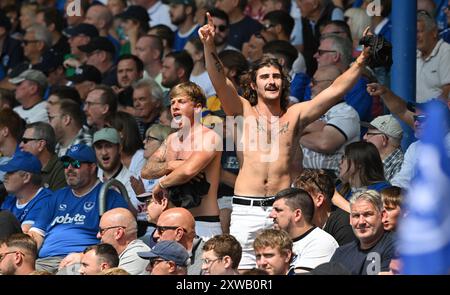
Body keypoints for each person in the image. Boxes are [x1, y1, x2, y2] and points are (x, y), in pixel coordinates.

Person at [199, 12, 369, 268]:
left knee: (282, 271)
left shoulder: (296, 114)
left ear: (284, 82)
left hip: (283, 209)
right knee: (243, 273)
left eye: (276, 77)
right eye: (265, 77)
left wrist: (362, 58)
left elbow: (336, 90)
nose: (271, 81)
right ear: (254, 85)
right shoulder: (243, 110)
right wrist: (209, 44)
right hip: (246, 208)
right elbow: (220, 81)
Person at [27, 144, 128, 273]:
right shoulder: (57, 196)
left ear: (92, 167)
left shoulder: (109, 196)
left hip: (81, 262)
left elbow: (118, 241)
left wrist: (83, 256)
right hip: (43, 261)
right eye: (65, 164)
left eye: (76, 164)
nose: (69, 168)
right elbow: (37, 233)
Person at [142, 82, 222, 239]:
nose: (175, 106)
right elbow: (146, 170)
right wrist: (172, 164)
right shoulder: (171, 139)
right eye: (172, 102)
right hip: (171, 224)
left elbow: (188, 171)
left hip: (203, 224)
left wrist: (161, 183)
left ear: (198, 107)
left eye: (181, 101)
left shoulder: (210, 137)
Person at [300, 65, 360, 178]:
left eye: (315, 81)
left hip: (331, 180)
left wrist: (294, 133)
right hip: (303, 177)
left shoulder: (346, 113)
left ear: (332, 84)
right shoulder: (307, 110)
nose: (310, 85)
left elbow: (325, 143)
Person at [59, 208, 150, 275]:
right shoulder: (123, 253)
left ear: (118, 233)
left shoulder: (137, 255)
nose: (98, 235)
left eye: (102, 230)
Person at [269, 187, 338, 272]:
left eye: (278, 210)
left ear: (297, 214)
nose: (271, 215)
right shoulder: (277, 240)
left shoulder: (321, 242)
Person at [330, 190, 395, 275]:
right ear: (350, 219)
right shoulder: (340, 253)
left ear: (383, 216)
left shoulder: (397, 248)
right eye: (356, 216)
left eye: (368, 214)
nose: (361, 222)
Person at [293, 169, 356, 246]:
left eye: (301, 198)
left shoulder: (344, 225)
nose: (295, 203)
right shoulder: (299, 223)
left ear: (319, 199)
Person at [0, 151, 52, 233]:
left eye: (10, 172)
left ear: (26, 177)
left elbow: (24, 233)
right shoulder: (10, 199)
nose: (5, 177)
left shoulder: (46, 200)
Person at [151, 207, 204, 275]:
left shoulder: (208, 260)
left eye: (160, 230)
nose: (155, 235)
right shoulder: (163, 254)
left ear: (179, 233)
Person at [19, 122, 67, 191]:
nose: (20, 145)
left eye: (25, 141)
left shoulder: (62, 169)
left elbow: (57, 201)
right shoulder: (24, 167)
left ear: (41, 145)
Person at [362, 115, 403, 182]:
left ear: (383, 139)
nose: (364, 137)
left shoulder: (400, 166)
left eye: (368, 134)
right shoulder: (369, 158)